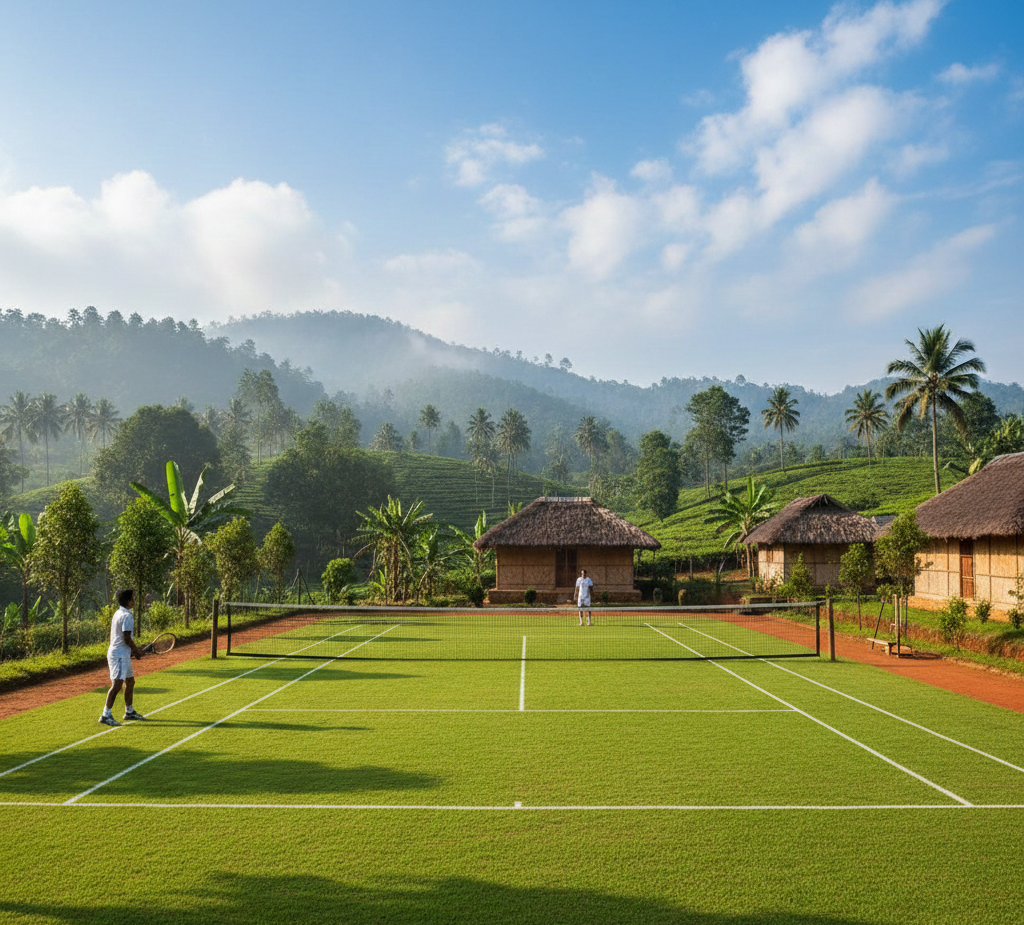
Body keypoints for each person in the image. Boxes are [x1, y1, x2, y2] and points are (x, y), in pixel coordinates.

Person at [99, 588, 145, 726]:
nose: (134, 600)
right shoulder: (126, 616)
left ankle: (129, 712)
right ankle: (105, 715)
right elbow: (126, 638)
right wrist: (136, 652)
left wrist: (132, 651)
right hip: (118, 655)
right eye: (133, 598)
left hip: (122, 654)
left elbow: (124, 638)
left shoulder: (119, 612)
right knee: (117, 684)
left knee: (130, 682)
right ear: (129, 600)